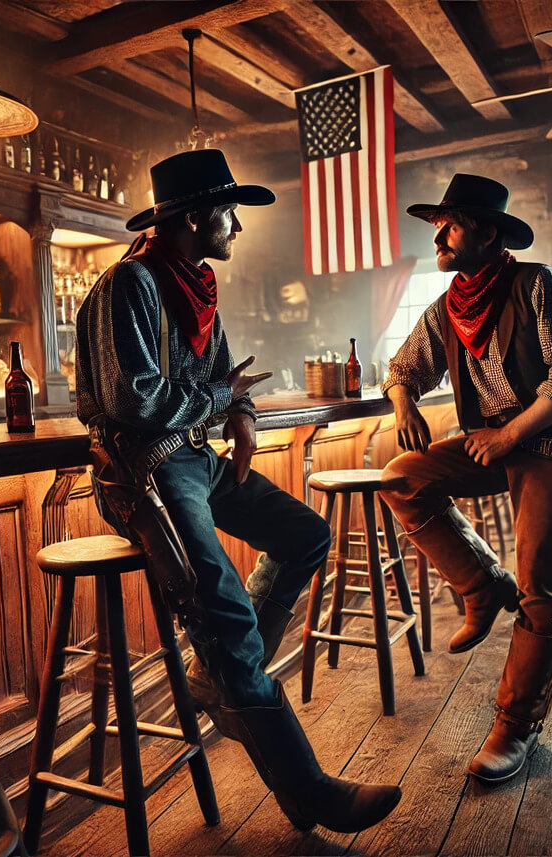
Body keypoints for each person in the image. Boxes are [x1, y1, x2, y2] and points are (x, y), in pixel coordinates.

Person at [75, 148, 400, 833]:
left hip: (192, 457)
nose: (236, 226)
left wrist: (244, 418)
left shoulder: (192, 285)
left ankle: (218, 672)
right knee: (222, 604)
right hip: (144, 473)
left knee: (307, 535)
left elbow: (227, 379)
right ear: (195, 218)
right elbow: (134, 401)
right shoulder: (129, 284)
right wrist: (224, 397)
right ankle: (308, 790)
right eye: (227, 212)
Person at [379, 173, 552, 783]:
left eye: (450, 225)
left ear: (487, 231)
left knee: (541, 589)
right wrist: (405, 404)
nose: (439, 237)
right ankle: (480, 585)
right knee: (402, 476)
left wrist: (510, 434)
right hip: (493, 444)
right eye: (438, 226)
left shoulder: (538, 284)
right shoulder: (449, 306)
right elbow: (401, 367)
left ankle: (515, 726)